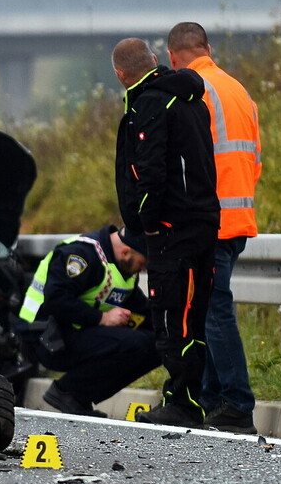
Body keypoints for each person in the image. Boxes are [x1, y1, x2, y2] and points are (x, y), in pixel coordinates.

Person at [111, 38, 220, 428]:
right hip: (201, 222)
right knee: (190, 315)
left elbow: (150, 175)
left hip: (174, 231)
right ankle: (186, 397)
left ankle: (184, 403)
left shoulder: (151, 104)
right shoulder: (189, 100)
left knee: (175, 318)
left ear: (121, 75)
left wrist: (144, 223)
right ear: (155, 60)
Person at [168, 22, 262, 434]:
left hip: (210, 219)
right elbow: (254, 159)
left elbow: (186, 163)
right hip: (239, 215)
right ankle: (211, 399)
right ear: (207, 48)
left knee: (214, 312)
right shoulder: (239, 91)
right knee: (207, 310)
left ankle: (236, 403)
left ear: (173, 58)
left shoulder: (191, 90)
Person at [19, 225, 159, 417]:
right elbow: (57, 300)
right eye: (143, 263)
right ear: (126, 252)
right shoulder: (80, 255)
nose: (143, 269)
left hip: (74, 333)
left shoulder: (121, 268)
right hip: (44, 337)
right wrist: (102, 317)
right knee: (136, 343)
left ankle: (77, 398)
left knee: (156, 345)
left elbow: (142, 311)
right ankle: (68, 393)